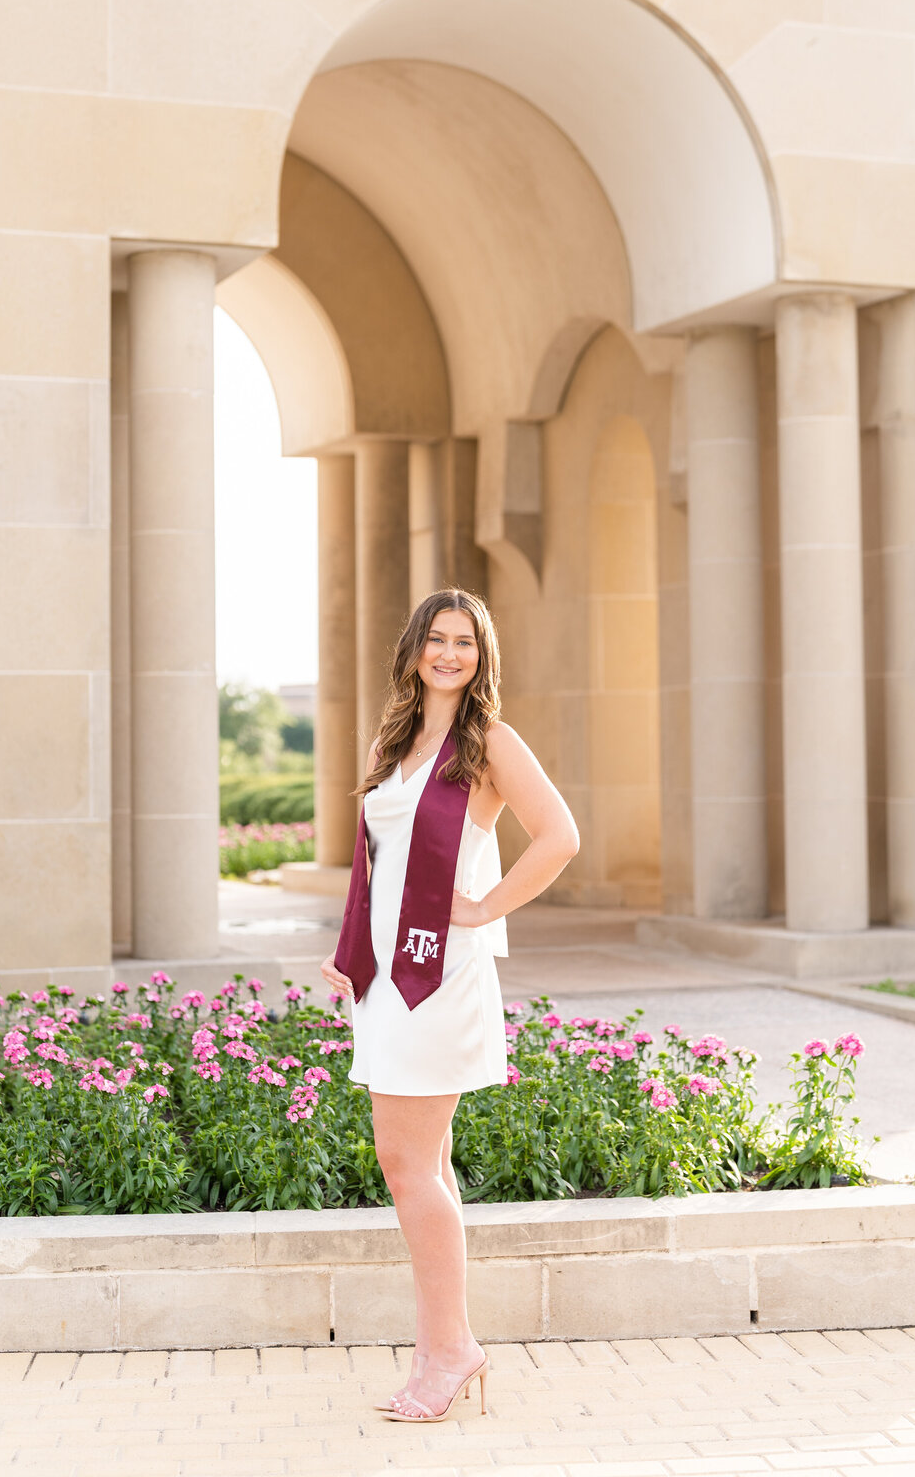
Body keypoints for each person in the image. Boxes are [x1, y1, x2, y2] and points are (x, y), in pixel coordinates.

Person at [321, 588, 579, 1424]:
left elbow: (560, 836)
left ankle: (448, 1350)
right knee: (422, 1167)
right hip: (387, 978)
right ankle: (445, 1347)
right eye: (436, 638)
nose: (448, 653)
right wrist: (349, 953)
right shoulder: (394, 740)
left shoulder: (489, 743)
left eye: (464, 642)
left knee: (405, 1164)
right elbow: (379, 860)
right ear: (414, 648)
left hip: (439, 978)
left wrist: (484, 904)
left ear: (482, 656)